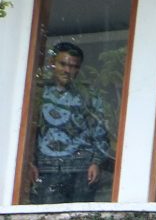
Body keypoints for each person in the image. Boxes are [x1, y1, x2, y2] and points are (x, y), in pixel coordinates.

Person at [28, 40, 112, 204]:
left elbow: (100, 131)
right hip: (46, 170)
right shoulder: (37, 93)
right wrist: (28, 162)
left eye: (74, 66)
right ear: (52, 63)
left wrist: (96, 162)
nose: (67, 70)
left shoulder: (88, 95)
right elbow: (26, 131)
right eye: (63, 64)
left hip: (82, 171)